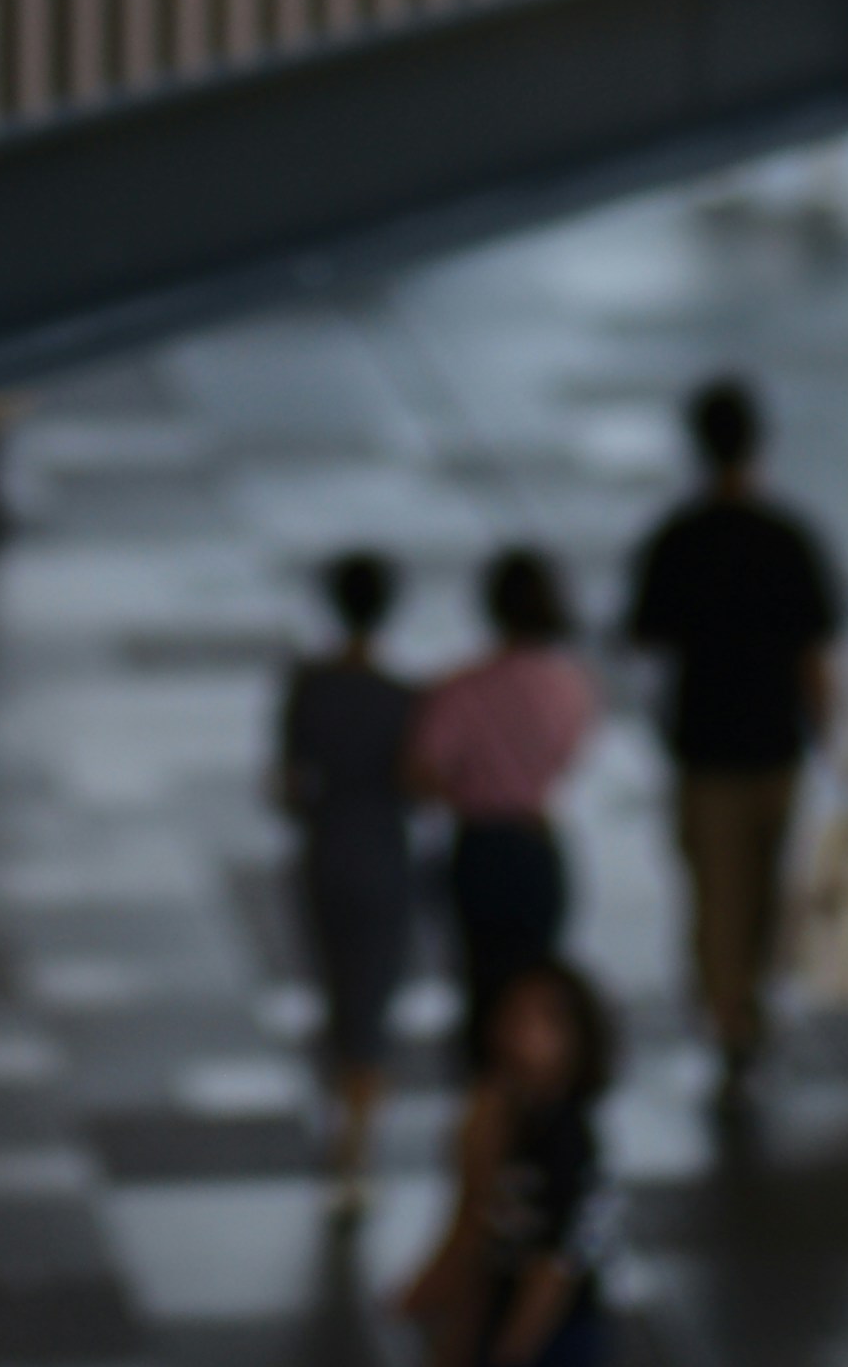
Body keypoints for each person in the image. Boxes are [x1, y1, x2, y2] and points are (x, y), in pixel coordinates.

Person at [618, 376, 846, 1087]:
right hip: (777, 745)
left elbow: (644, 637)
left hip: (704, 747)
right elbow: (816, 652)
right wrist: (829, 735)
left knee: (715, 891)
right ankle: (750, 998)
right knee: (769, 881)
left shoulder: (677, 541)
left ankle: (726, 1015)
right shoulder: (788, 539)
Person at [275, 548, 424, 1201]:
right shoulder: (404, 697)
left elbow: (285, 785)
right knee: (373, 1001)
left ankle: (341, 1121)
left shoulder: (309, 686)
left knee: (336, 995)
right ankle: (356, 1144)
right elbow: (419, 785)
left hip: (325, 851)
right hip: (384, 855)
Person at [407, 545, 597, 1053]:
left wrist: (467, 790)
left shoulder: (464, 687)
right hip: (539, 840)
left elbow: (420, 769)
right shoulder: (569, 684)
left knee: (482, 983)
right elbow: (572, 751)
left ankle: (487, 1090)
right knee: (537, 984)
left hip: (481, 844)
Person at [399, 960, 620, 1367]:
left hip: (551, 1331)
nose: (520, 1035)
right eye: (513, 1017)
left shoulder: (563, 1142)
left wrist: (512, 1349)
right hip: (504, 1311)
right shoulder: (515, 1120)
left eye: (543, 1022)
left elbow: (553, 1266)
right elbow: (479, 1223)